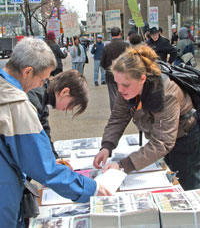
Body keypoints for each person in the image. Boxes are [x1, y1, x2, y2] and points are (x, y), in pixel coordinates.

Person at [0, 37, 111, 228]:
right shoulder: (17, 105)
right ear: (28, 72)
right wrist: (90, 188)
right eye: (41, 79)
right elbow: (44, 168)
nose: (41, 84)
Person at [94, 44, 200, 191]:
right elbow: (118, 117)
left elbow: (162, 142)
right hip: (164, 136)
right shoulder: (127, 85)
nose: (119, 89)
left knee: (187, 186)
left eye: (125, 85)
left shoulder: (167, 93)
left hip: (186, 139)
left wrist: (123, 165)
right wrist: (106, 146)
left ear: (142, 79)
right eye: (116, 83)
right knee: (168, 177)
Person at [27, 70, 89, 159]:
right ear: (64, 92)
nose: (70, 109)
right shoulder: (35, 101)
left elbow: (45, 137)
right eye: (72, 104)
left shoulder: (42, 102)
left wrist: (55, 160)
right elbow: (31, 143)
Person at [101, 27, 128, 110]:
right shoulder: (126, 46)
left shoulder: (107, 47)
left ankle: (115, 111)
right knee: (124, 93)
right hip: (124, 74)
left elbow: (103, 63)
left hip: (111, 74)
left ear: (111, 35)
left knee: (113, 95)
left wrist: (108, 69)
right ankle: (124, 111)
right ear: (120, 34)